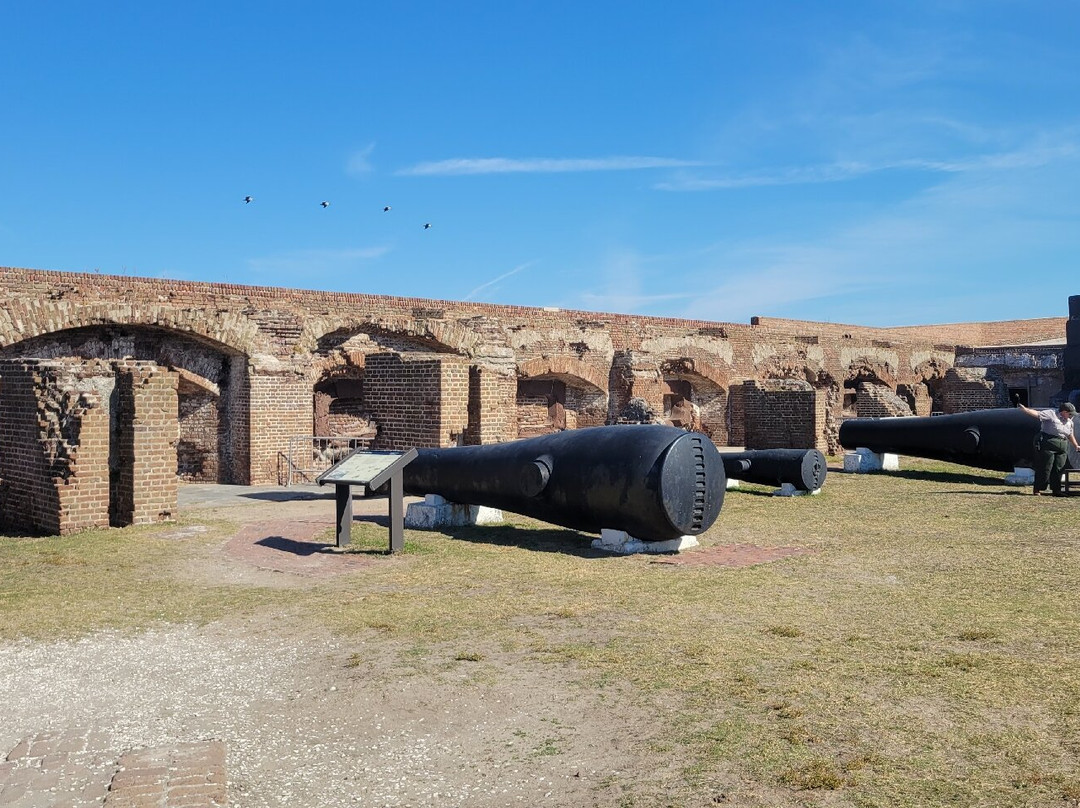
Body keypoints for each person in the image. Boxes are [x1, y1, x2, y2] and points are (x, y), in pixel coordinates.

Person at [1017, 400, 1080, 496]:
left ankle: (1057, 490)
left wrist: (1076, 445)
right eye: (1070, 414)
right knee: (1045, 466)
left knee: (1059, 468)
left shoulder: (1069, 422)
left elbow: (1070, 434)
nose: (1071, 416)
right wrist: (1025, 409)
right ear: (1064, 412)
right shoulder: (1051, 414)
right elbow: (1037, 414)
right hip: (1048, 443)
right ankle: (1038, 488)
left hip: (1062, 445)